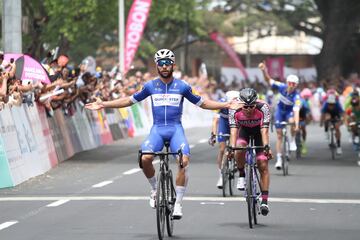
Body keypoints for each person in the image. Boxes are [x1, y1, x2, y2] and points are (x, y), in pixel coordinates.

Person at [85, 49, 235, 219]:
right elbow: (128, 100)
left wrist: (226, 105)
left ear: (173, 65)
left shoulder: (183, 86)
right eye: (161, 64)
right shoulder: (150, 86)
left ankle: (178, 204)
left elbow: (203, 103)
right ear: (157, 66)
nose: (164, 66)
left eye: (167, 63)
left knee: (183, 161)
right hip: (157, 129)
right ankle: (155, 189)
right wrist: (104, 104)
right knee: (145, 158)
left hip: (175, 129)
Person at [228, 88, 272, 216]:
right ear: (240, 104)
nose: (248, 109)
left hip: (259, 133)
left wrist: (267, 147)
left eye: (251, 106)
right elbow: (234, 131)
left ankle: (264, 201)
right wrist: (231, 147)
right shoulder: (234, 109)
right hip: (244, 132)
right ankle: (241, 174)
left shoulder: (263, 107)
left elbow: (264, 131)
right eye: (245, 107)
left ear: (256, 103)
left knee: (262, 164)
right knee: (239, 147)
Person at [259, 62, 301, 170]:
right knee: (279, 136)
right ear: (287, 83)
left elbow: (296, 111)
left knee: (292, 121)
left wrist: (296, 125)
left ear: (296, 85)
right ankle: (278, 159)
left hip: (289, 112)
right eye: (290, 83)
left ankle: (292, 140)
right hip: (280, 112)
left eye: (294, 84)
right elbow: (268, 80)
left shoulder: (297, 96)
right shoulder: (281, 86)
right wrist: (264, 70)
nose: (291, 86)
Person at [208, 90, 239, 189]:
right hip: (224, 122)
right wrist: (213, 134)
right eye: (232, 101)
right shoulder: (221, 102)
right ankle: (221, 175)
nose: (235, 103)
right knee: (222, 149)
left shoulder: (241, 103)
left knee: (235, 146)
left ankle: (236, 162)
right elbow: (215, 120)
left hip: (236, 122)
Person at [299, 88, 313, 155]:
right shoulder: (296, 100)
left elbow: (308, 112)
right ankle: (294, 139)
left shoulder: (305, 102)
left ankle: (303, 142)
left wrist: (309, 118)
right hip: (295, 115)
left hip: (302, 116)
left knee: (303, 128)